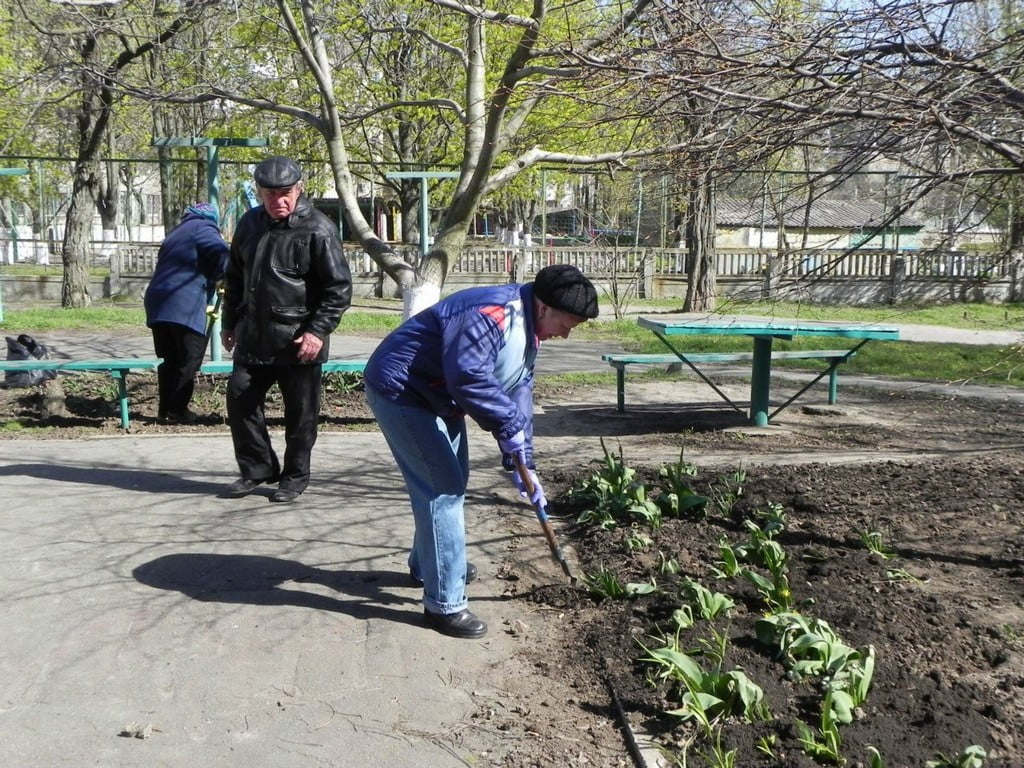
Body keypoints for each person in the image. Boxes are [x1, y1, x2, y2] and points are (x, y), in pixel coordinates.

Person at [364, 264, 599, 638]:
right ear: (543, 308)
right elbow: (469, 376)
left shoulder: (530, 328)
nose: (566, 335)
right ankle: (444, 605)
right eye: (566, 325)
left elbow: (518, 387)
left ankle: (431, 564)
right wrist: (506, 429)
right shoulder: (491, 314)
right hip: (404, 391)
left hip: (440, 397)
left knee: (451, 481)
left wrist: (523, 459)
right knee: (442, 489)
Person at [220, 156, 352, 503]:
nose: (279, 201)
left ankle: (294, 477)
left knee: (301, 415)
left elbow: (338, 289)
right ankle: (258, 468)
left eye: (286, 193)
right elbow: (234, 277)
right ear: (258, 192)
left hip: (298, 341)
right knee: (239, 398)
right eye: (270, 194)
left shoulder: (319, 229)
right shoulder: (249, 224)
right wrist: (229, 322)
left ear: (299, 189)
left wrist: (316, 332)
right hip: (253, 336)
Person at [144, 202, 229, 423]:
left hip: (157, 302)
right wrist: (228, 273)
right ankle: (177, 410)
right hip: (184, 302)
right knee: (190, 359)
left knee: (170, 359)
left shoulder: (175, 233)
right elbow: (220, 255)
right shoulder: (204, 228)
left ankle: (165, 411)